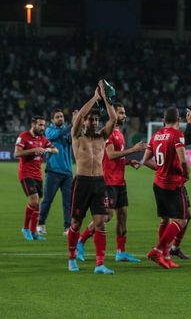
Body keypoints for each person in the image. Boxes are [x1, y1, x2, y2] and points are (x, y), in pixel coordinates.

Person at [76, 103, 145, 263]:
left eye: (124, 113)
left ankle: (121, 252)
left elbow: (117, 158)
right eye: (121, 113)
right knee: (107, 216)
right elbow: (111, 155)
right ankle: (81, 240)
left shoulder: (120, 134)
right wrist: (133, 150)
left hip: (120, 181)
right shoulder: (106, 135)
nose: (124, 116)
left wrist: (128, 162)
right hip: (108, 181)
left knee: (123, 216)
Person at [66, 81, 117, 274]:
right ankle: (71, 258)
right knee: (76, 223)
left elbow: (112, 120)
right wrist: (95, 97)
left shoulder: (102, 137)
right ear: (85, 121)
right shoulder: (77, 136)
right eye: (90, 119)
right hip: (82, 182)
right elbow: (78, 117)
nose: (94, 122)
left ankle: (100, 264)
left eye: (96, 119)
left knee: (100, 222)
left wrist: (106, 99)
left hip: (98, 183)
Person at [142, 107, 190, 270]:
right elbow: (183, 160)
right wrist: (186, 174)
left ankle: (166, 256)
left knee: (165, 219)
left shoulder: (156, 135)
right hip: (173, 184)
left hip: (158, 184)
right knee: (181, 220)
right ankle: (157, 250)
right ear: (179, 120)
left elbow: (145, 160)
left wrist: (161, 170)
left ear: (163, 120)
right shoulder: (177, 135)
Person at [15, 116, 59, 241]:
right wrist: (34, 150)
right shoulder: (23, 136)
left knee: (37, 205)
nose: (42, 128)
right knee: (33, 201)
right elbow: (17, 153)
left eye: (43, 125)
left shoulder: (43, 139)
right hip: (26, 174)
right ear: (33, 124)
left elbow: (56, 150)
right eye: (40, 125)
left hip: (37, 175)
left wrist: (46, 149)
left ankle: (34, 232)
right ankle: (25, 228)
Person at [37, 109, 75, 236]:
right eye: (57, 117)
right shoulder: (48, 130)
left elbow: (74, 137)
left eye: (62, 116)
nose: (60, 118)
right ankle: (41, 224)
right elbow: (55, 136)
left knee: (68, 202)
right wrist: (72, 125)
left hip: (67, 172)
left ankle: (67, 227)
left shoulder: (69, 130)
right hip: (53, 171)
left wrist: (76, 124)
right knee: (47, 200)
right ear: (52, 120)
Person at [169, 108, 191, 260]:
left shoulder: (173, 135)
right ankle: (161, 249)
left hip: (177, 182)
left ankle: (174, 247)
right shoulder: (172, 136)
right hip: (171, 183)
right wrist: (190, 123)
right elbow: (185, 138)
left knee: (187, 216)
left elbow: (189, 139)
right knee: (176, 219)